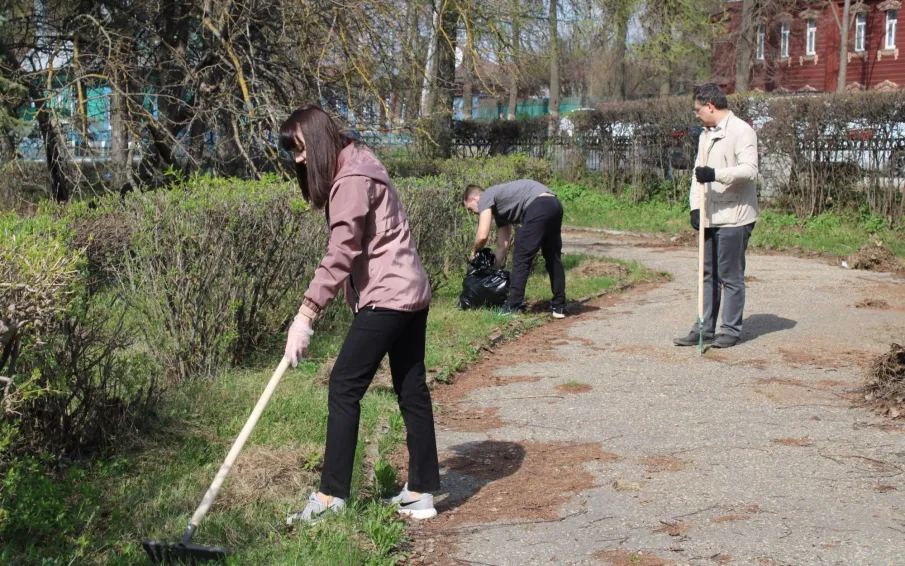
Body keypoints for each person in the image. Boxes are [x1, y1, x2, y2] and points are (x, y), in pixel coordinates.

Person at [280, 105, 440, 524]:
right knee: (410, 389)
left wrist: (305, 314)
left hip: (387, 297)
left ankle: (331, 498)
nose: (297, 159)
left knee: (344, 386)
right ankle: (421, 492)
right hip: (410, 291)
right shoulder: (360, 161)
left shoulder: (351, 179)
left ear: (314, 141)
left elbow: (341, 252)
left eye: (298, 149)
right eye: (290, 152)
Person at [674, 83, 758, 349]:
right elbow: (697, 176)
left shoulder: (742, 131)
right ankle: (703, 327)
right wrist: (695, 206)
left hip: (735, 215)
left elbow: (749, 170)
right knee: (706, 272)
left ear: (710, 106)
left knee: (729, 274)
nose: (696, 114)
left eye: (698, 110)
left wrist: (716, 174)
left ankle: (731, 330)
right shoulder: (705, 135)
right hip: (711, 214)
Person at [462, 180, 566, 317]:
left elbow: (482, 235)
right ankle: (559, 306)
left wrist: (474, 251)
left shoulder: (486, 196)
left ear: (475, 199)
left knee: (521, 257)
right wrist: (492, 270)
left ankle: (512, 306)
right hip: (554, 205)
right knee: (552, 257)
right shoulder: (501, 211)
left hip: (538, 206)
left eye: (470, 209)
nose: (474, 213)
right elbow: (502, 245)